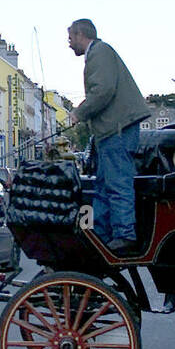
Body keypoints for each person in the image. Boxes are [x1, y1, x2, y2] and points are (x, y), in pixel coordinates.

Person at [67, 18, 149, 258]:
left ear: (81, 34)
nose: (69, 43)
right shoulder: (99, 53)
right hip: (110, 132)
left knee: (116, 183)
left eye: (70, 37)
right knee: (102, 186)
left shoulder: (99, 52)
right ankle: (100, 236)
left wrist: (78, 113)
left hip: (117, 130)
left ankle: (124, 236)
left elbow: (102, 91)